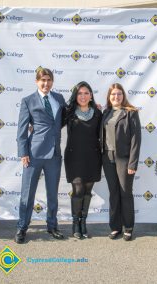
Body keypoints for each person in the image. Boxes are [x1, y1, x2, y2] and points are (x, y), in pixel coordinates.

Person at [15, 68, 66, 243]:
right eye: (43, 80)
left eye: (49, 80)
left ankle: (52, 226)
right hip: (33, 154)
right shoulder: (28, 101)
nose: (46, 83)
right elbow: (21, 130)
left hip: (54, 154)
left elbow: (67, 118)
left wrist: (92, 107)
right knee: (27, 194)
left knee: (52, 194)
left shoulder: (59, 99)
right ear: (37, 81)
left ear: (52, 81)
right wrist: (23, 153)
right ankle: (22, 227)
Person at [101, 83, 141, 241]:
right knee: (114, 193)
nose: (116, 97)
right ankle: (115, 227)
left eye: (118, 94)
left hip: (124, 159)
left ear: (123, 96)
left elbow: (136, 140)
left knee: (125, 193)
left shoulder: (131, 113)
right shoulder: (106, 113)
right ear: (109, 97)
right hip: (107, 158)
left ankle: (129, 227)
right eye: (113, 95)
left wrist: (132, 163)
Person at [63, 81, 102, 239]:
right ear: (75, 95)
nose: (83, 96)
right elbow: (52, 125)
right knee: (78, 190)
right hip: (74, 157)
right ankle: (75, 223)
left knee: (87, 191)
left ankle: (83, 222)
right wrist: (33, 126)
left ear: (91, 95)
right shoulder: (69, 112)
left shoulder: (98, 113)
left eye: (86, 93)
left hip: (93, 157)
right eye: (80, 93)